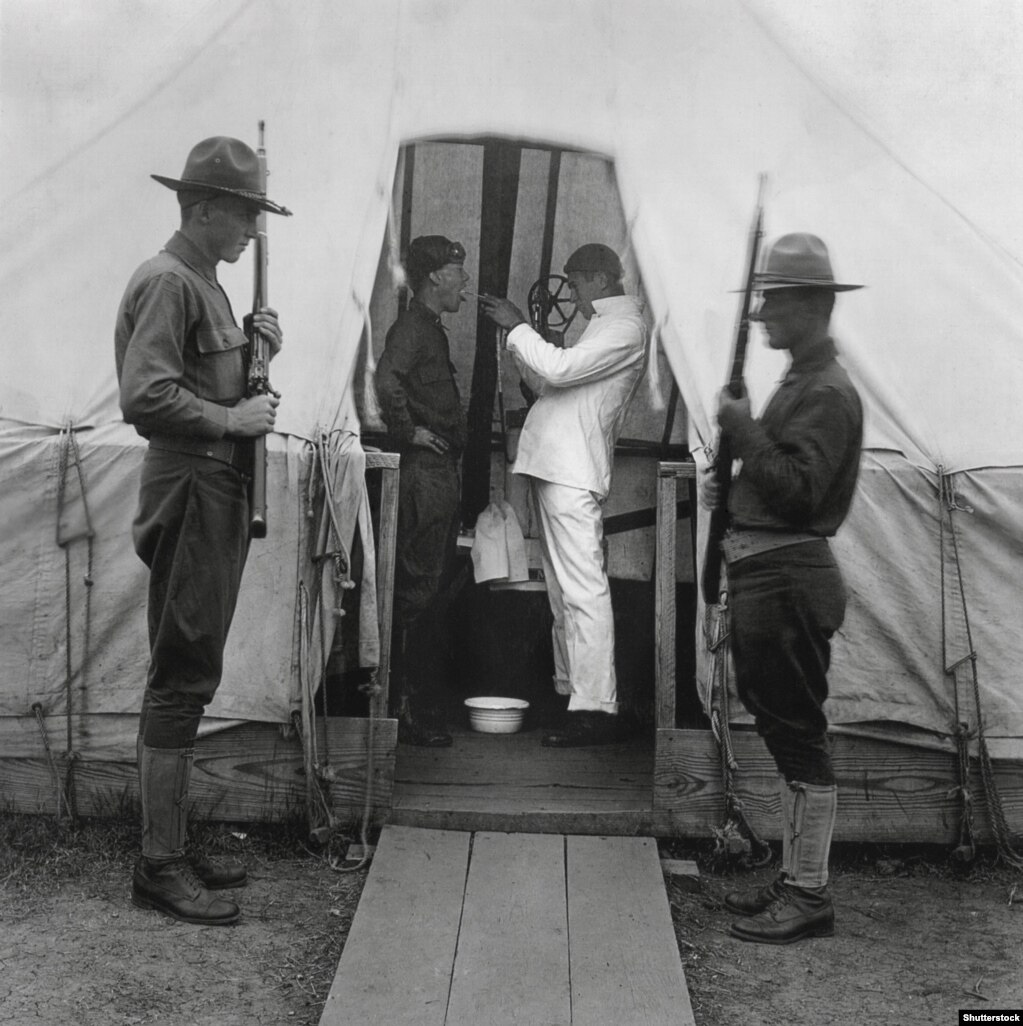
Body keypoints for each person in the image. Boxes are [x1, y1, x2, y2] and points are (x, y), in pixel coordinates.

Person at [115, 136, 289, 926]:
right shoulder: (168, 282)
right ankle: (159, 863)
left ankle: (173, 844)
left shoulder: (206, 286)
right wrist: (230, 417)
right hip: (189, 485)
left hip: (212, 488)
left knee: (195, 664)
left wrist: (258, 353)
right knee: (181, 670)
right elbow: (146, 396)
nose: (252, 228)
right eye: (245, 213)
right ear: (205, 207)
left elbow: (208, 378)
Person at [700, 232, 864, 944]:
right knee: (782, 728)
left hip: (787, 578)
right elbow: (777, 481)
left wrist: (742, 433)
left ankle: (809, 893)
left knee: (797, 737)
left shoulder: (826, 393)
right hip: (769, 575)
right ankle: (800, 879)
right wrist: (732, 481)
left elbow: (799, 492)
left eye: (773, 300)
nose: (761, 312)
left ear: (812, 305)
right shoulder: (801, 382)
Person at [480, 244, 647, 747]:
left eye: (573, 284)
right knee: (564, 593)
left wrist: (518, 327)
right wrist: (526, 343)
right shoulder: (599, 327)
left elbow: (558, 372)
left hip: (572, 472)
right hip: (557, 468)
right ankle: (574, 695)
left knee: (582, 590)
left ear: (599, 279)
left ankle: (596, 708)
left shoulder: (624, 328)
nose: (569, 294)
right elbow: (553, 383)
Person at [375, 236, 471, 747]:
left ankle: (407, 705)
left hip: (439, 475)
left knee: (425, 587)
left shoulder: (431, 331)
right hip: (423, 475)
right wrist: (407, 431)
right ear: (435, 277)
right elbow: (386, 378)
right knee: (414, 592)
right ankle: (399, 711)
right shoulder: (412, 329)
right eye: (459, 272)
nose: (466, 282)